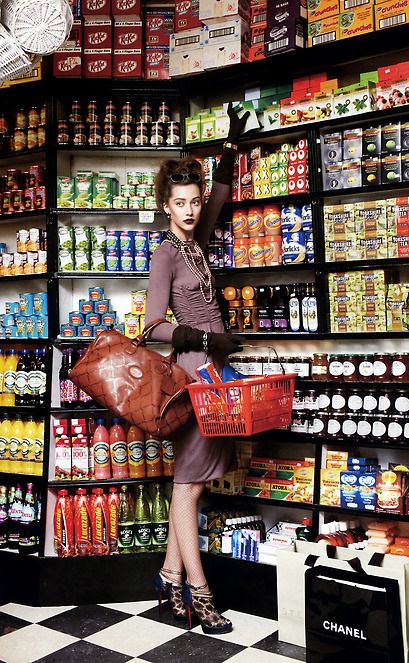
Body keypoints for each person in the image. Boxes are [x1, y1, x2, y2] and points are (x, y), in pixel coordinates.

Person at [145, 103, 249, 634]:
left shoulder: (197, 245)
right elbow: (151, 327)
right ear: (166, 206)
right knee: (187, 486)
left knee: (194, 484)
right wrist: (207, 337)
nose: (189, 210)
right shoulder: (166, 254)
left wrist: (229, 148)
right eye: (180, 203)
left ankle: (167, 576)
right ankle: (200, 596)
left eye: (194, 201)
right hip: (192, 375)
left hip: (217, 375)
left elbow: (220, 200)